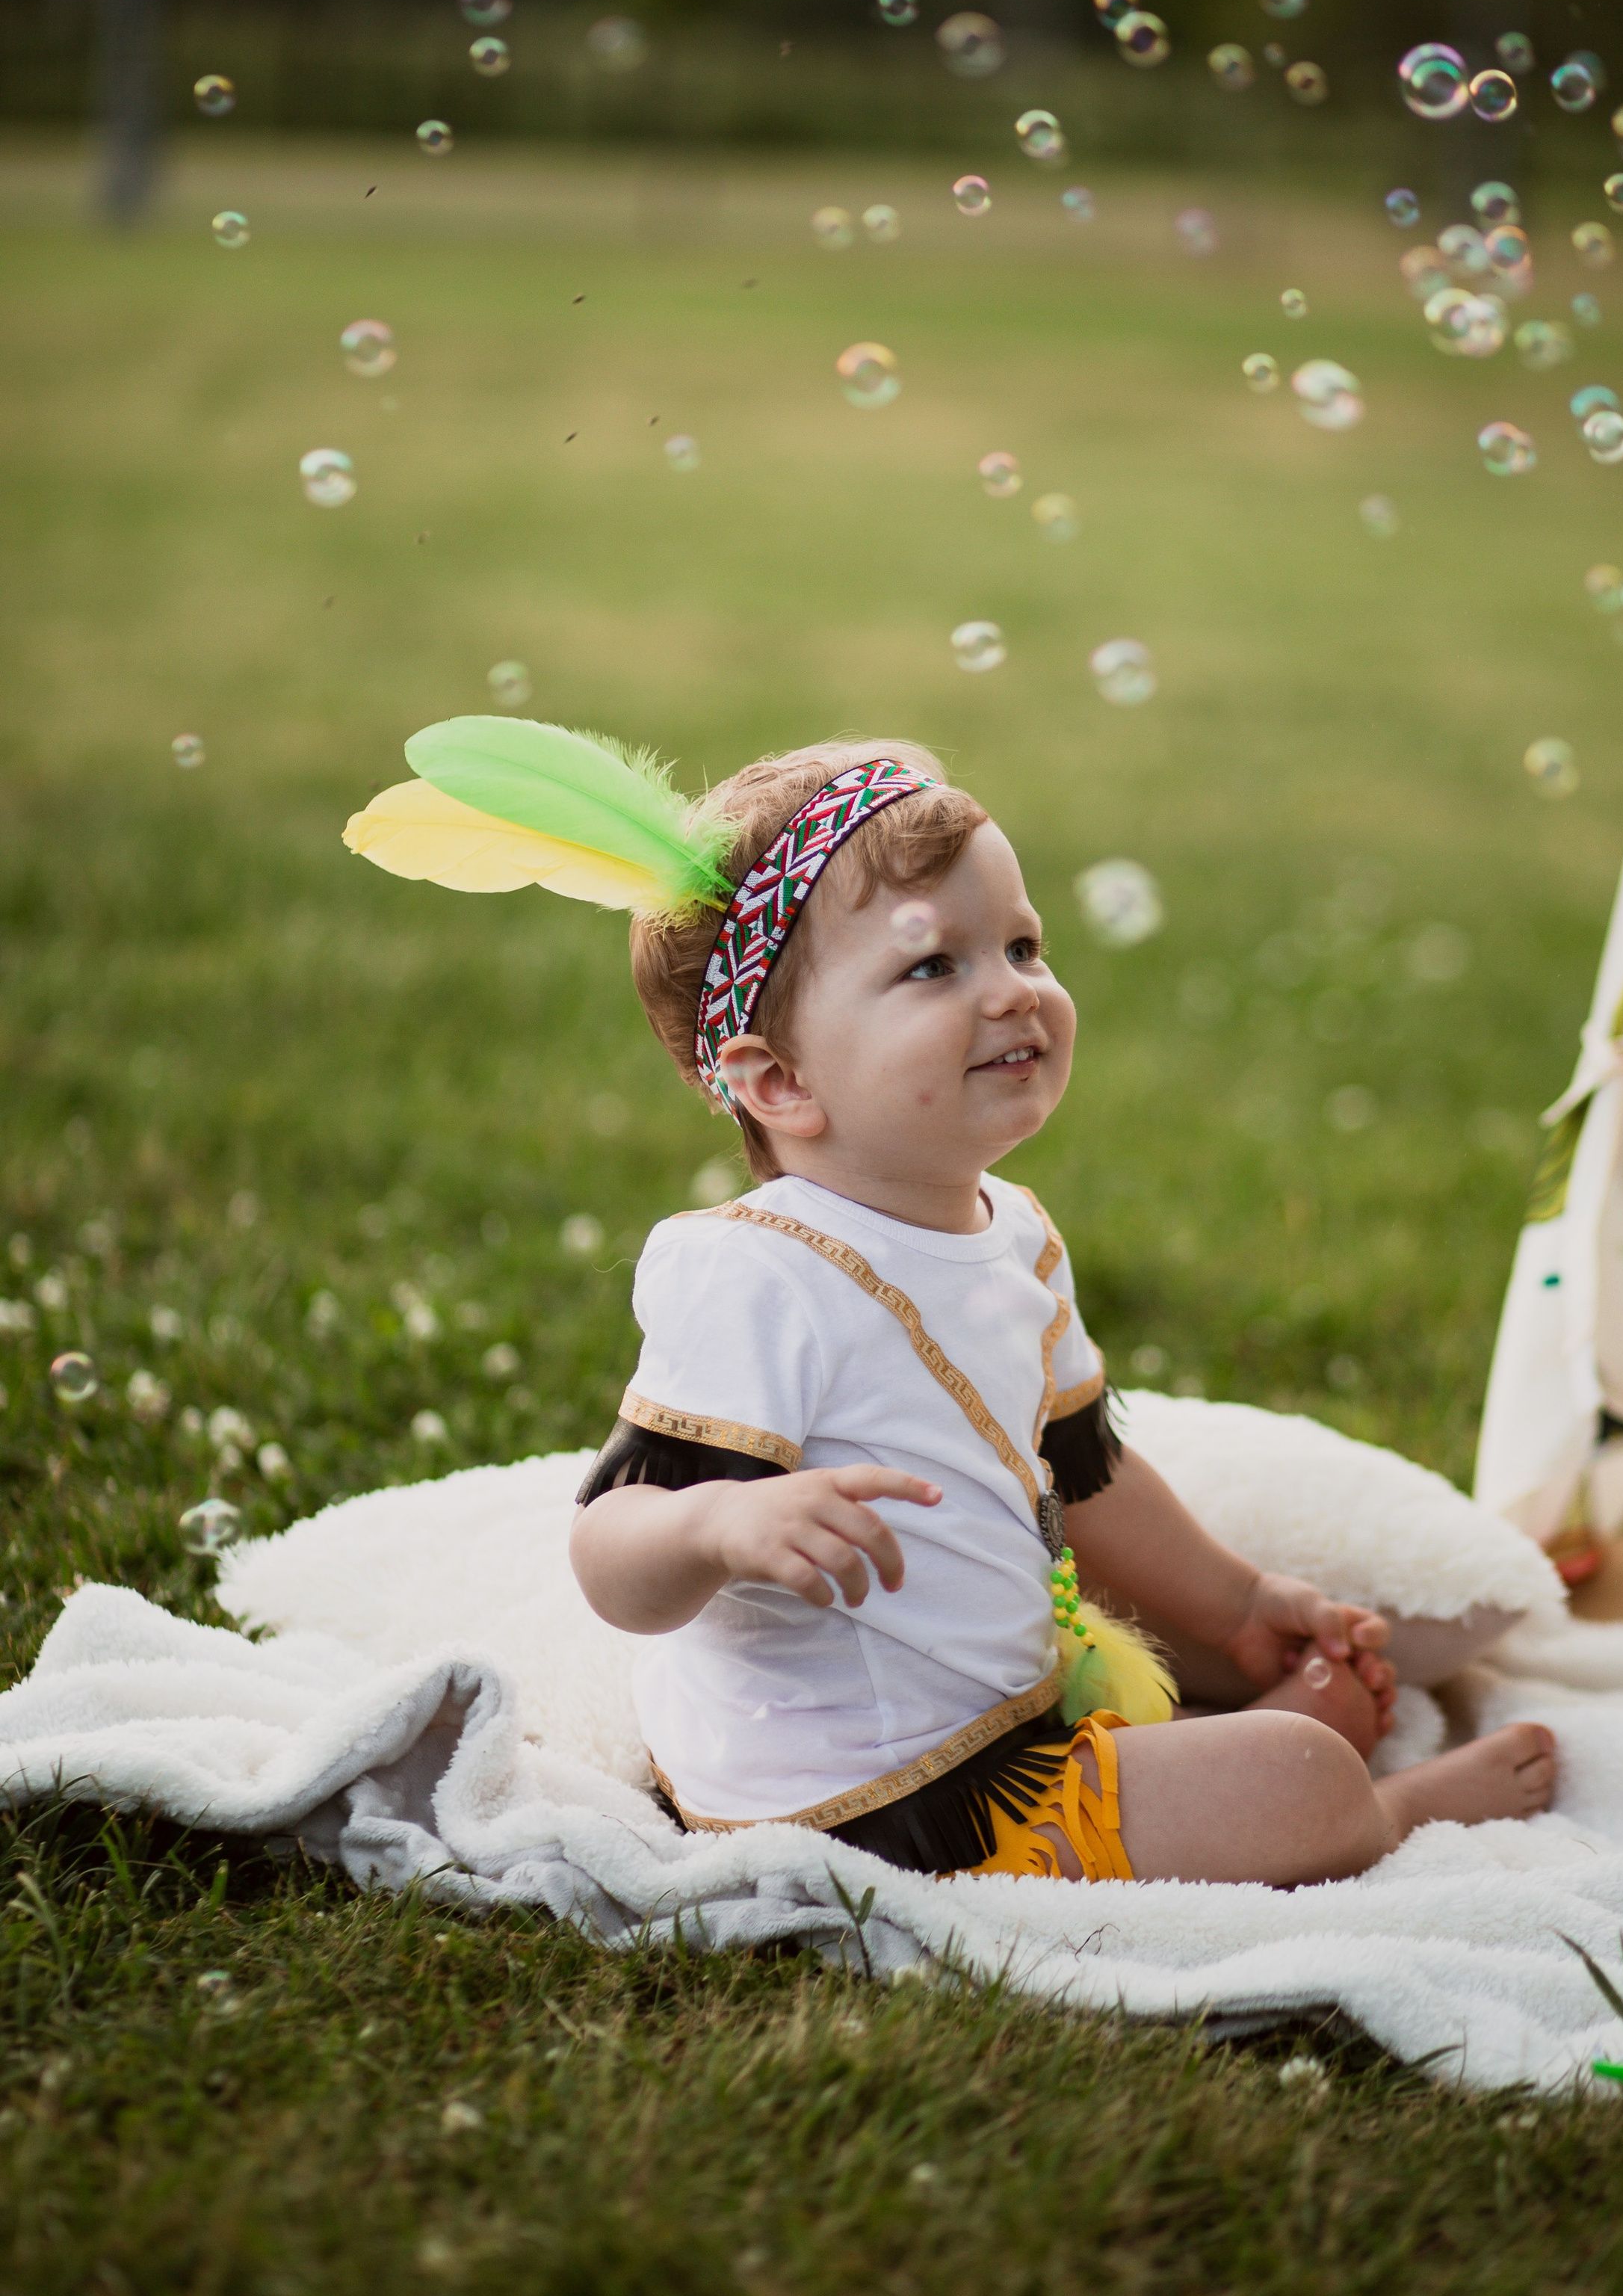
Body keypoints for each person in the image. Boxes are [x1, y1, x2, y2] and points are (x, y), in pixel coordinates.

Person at [346, 722, 1555, 1885]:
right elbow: (612, 1549)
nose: (1012, 992)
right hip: (872, 1800)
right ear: (779, 1081)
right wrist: (721, 1531)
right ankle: (1374, 1814)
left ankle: (1221, 1747)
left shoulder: (1013, 1234)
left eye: (1023, 947)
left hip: (1007, 1705)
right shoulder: (758, 1273)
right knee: (1298, 1769)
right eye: (936, 966)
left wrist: (1238, 1608)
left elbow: (1085, 1473)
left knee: (1241, 1672)